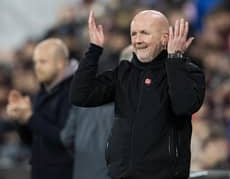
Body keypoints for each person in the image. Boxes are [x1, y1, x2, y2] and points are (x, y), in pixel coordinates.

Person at [70, 10, 205, 179]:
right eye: (134, 34)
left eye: (144, 33)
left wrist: (175, 59)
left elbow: (184, 106)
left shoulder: (188, 71)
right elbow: (80, 95)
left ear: (165, 38)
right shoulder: (123, 73)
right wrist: (94, 50)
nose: (137, 40)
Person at [6, 38, 74, 179]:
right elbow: (30, 140)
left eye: (43, 62)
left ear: (61, 63)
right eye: (35, 62)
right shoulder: (43, 91)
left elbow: (65, 139)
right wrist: (20, 118)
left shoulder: (74, 92)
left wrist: (30, 118)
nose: (37, 67)